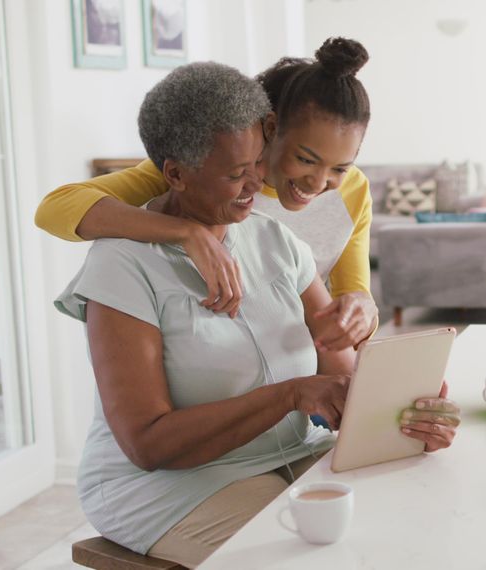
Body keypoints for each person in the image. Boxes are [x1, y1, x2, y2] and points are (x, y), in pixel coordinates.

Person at [54, 62, 459, 568]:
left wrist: (399, 412)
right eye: (234, 173)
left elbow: (337, 373)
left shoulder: (275, 241)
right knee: (317, 556)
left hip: (287, 455)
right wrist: (290, 394)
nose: (256, 183)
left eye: (258, 163)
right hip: (166, 487)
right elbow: (147, 443)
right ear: (176, 173)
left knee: (418, 507)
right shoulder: (121, 265)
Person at [38, 37, 378, 351]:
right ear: (271, 128)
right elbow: (55, 209)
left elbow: (351, 297)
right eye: (305, 159)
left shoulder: (353, 191)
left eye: (340, 168)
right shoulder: (205, 176)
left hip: (296, 359)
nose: (318, 183)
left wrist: (365, 311)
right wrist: (188, 234)